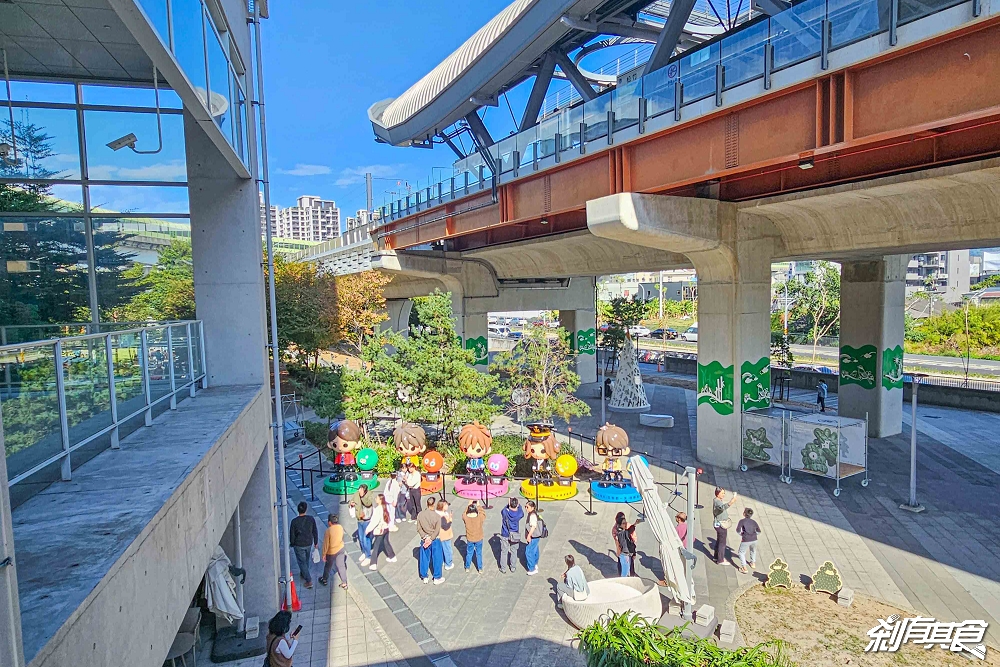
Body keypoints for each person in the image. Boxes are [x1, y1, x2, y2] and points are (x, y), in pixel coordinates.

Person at [288, 502, 318, 589]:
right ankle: (304, 572)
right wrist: (316, 542)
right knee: (306, 559)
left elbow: (292, 534)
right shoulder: (311, 519)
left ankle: (308, 580)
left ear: (298, 510)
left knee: (302, 562)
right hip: (309, 543)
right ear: (306, 509)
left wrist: (292, 543)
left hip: (299, 544)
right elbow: (315, 531)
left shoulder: (294, 522)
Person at [416, 496, 444, 584]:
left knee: (424, 558)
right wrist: (431, 539)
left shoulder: (420, 515)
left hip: (424, 539)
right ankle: (437, 577)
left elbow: (419, 528)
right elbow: (437, 530)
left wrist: (425, 537)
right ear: (434, 504)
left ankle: (424, 576)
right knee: (437, 558)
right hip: (434, 540)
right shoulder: (437, 516)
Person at [366, 494, 397, 571]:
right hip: (386, 528)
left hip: (380, 530)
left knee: (376, 547)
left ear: (380, 500)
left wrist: (368, 529)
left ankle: (373, 563)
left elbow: (375, 522)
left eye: (376, 498)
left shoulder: (378, 510)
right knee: (386, 542)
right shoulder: (385, 507)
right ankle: (392, 556)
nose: (375, 499)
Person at [319, 515, 348, 589]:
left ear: (329, 522)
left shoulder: (328, 531)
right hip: (340, 548)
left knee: (328, 566)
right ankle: (344, 582)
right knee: (341, 566)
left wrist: (324, 554)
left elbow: (326, 544)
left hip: (331, 551)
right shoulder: (340, 527)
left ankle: (324, 579)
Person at [713, 487, 738, 565]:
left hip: (719, 523)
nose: (724, 495)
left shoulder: (717, 500)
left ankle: (716, 557)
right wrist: (731, 502)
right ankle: (720, 560)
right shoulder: (717, 502)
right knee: (722, 543)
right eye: (722, 493)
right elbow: (723, 507)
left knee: (719, 541)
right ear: (718, 493)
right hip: (721, 524)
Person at [350, 484, 374, 566]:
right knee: (360, 538)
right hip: (359, 519)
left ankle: (368, 556)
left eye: (361, 490)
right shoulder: (356, 494)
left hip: (367, 520)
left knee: (365, 538)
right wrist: (351, 503)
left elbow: (368, 503)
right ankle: (364, 552)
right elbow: (351, 501)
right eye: (359, 489)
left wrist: (362, 496)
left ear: (365, 490)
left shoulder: (369, 494)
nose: (359, 491)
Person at [499, 497, 524, 574]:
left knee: (504, 552)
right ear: (517, 504)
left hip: (505, 534)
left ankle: (503, 568)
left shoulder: (505, 512)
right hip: (515, 535)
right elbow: (521, 510)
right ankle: (513, 567)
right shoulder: (519, 513)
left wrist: (508, 504)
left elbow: (502, 510)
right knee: (514, 551)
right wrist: (518, 505)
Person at [461, 501, 486, 573]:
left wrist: (468, 504)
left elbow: (463, 514)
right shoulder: (479, 517)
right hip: (479, 538)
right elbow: (483, 513)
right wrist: (478, 505)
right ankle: (480, 568)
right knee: (479, 553)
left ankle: (467, 567)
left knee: (469, 553)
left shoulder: (466, 517)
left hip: (470, 539)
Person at [736, 507, 762, 574]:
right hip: (754, 539)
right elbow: (759, 531)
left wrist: (742, 534)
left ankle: (744, 568)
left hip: (746, 539)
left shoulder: (742, 521)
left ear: (744, 514)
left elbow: (738, 530)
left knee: (741, 553)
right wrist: (754, 534)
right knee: (753, 550)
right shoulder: (754, 522)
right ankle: (752, 563)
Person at [524, 500, 541, 575]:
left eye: (527, 507)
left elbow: (533, 526)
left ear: (532, 507)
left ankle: (532, 568)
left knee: (529, 551)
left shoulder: (532, 516)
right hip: (536, 536)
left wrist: (529, 535)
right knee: (535, 549)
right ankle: (535, 563)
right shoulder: (533, 514)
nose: (526, 508)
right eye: (525, 507)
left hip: (533, 536)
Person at [437, 500, 455, 571]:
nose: (447, 506)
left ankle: (444, 561)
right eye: (446, 505)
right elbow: (445, 526)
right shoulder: (442, 516)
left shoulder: (439, 513)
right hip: (445, 535)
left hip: (441, 535)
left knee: (443, 549)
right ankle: (448, 564)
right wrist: (450, 520)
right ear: (442, 506)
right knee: (448, 550)